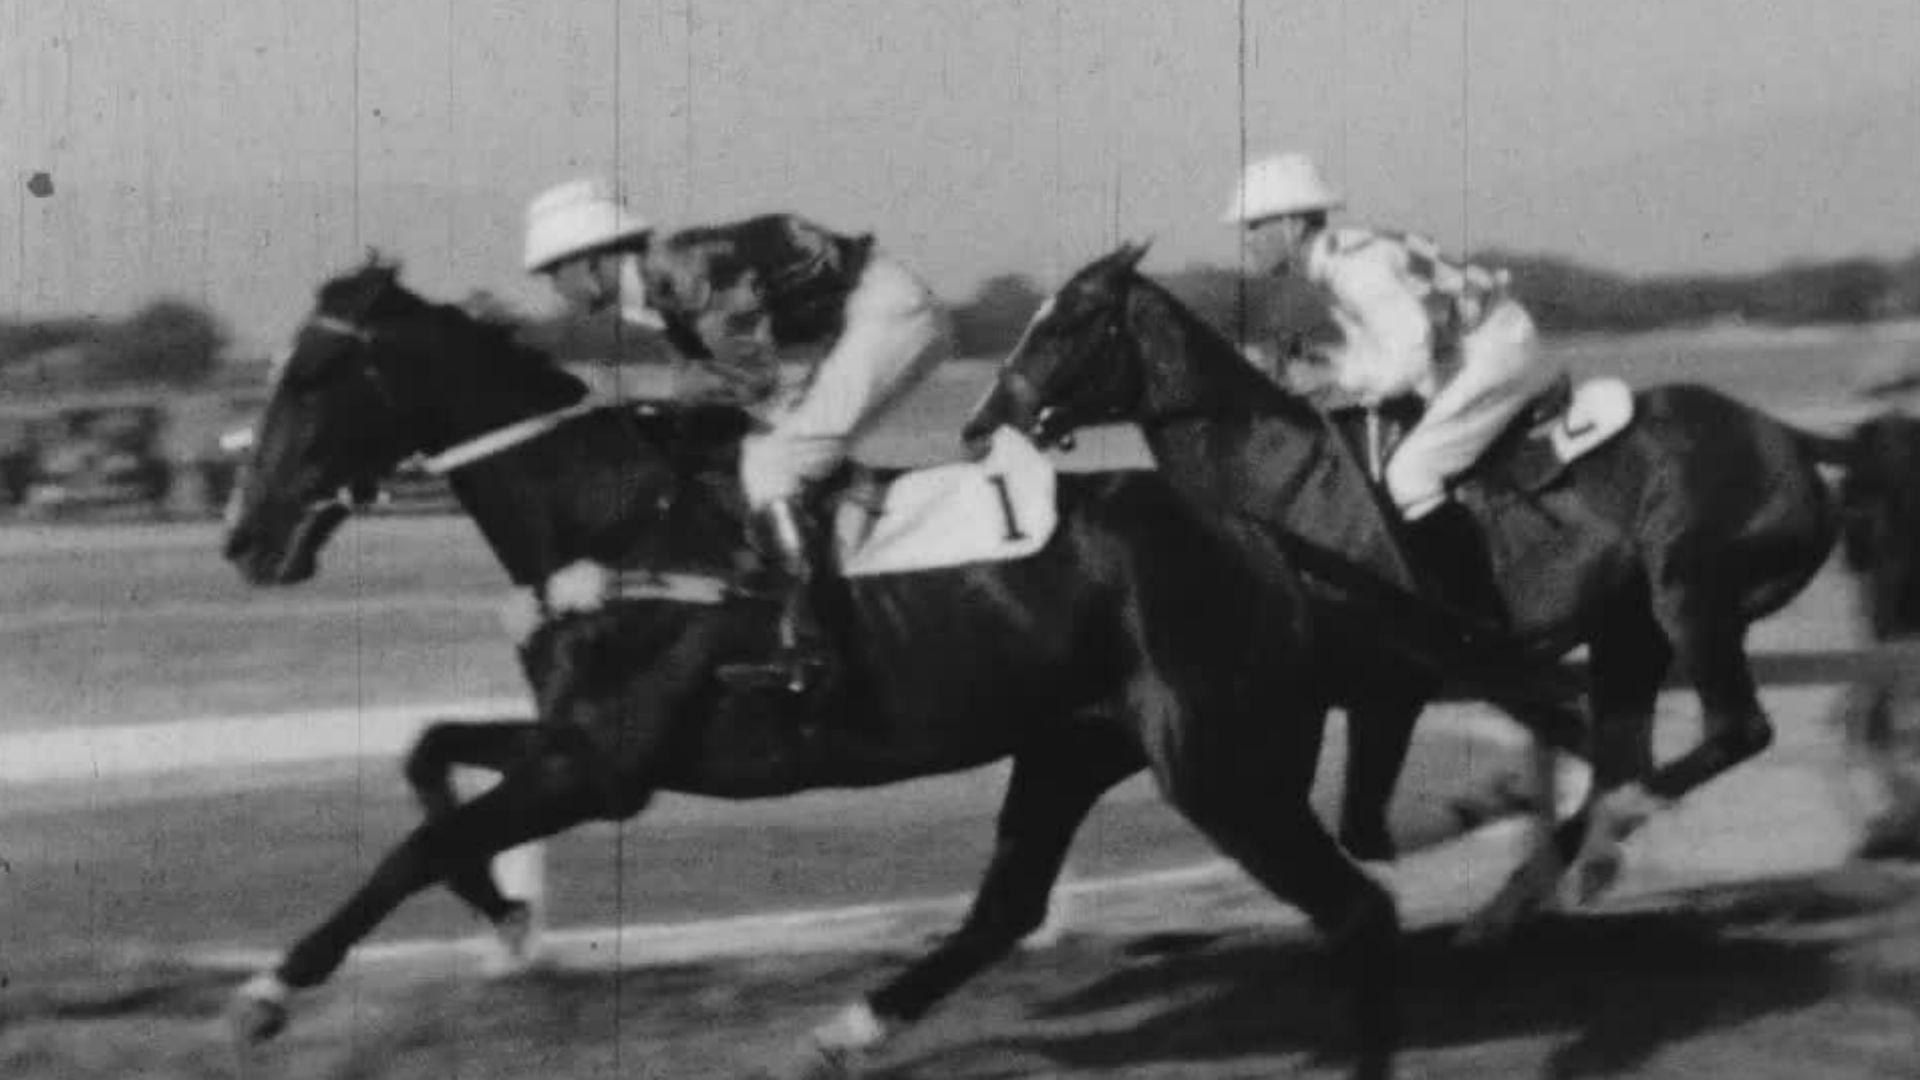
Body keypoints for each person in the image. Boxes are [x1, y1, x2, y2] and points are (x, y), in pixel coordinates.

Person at [524, 177, 954, 694]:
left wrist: (646, 390)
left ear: (591, 262)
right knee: (749, 452)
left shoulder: (682, 273)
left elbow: (750, 376)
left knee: (776, 462)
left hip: (890, 315)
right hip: (844, 325)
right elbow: (713, 396)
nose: (554, 286)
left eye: (554, 271)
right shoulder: (655, 296)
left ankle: (813, 637)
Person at [1221, 151, 1563, 626]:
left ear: (1293, 225)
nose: (1247, 239)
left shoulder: (1351, 269)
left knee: (1409, 476)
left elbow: (1410, 353)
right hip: (1468, 350)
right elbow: (1380, 357)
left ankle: (1479, 621)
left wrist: (1331, 378)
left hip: (1492, 352)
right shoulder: (1334, 262)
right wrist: (1323, 367)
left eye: (1255, 225)